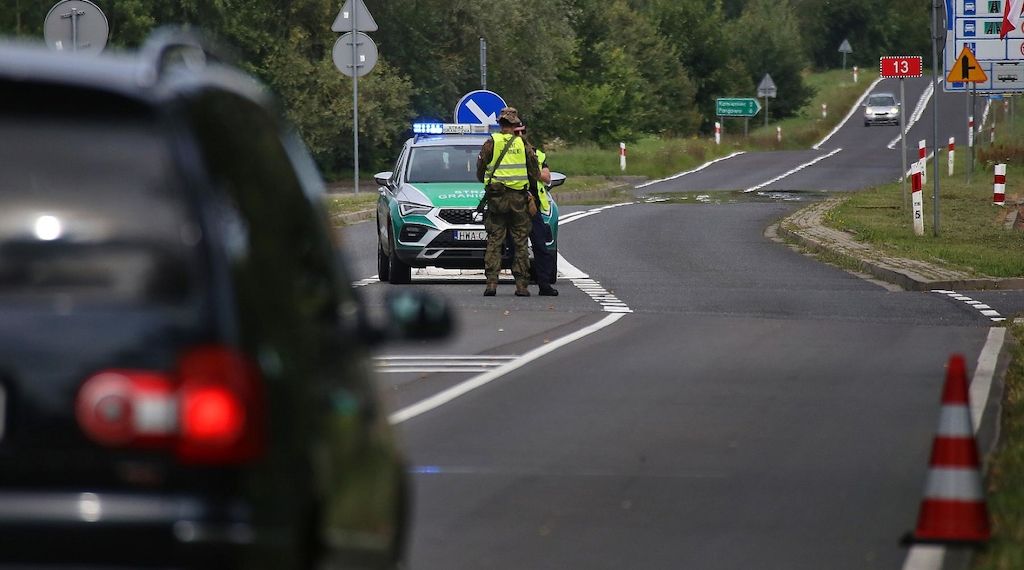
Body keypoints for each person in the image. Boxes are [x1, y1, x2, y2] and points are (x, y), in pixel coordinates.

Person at [476, 107, 540, 297]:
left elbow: (480, 171)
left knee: (495, 240)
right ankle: (521, 286)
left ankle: (491, 284)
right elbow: (535, 172)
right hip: (519, 200)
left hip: (497, 200)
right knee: (520, 241)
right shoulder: (524, 145)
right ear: (515, 124)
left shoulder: (491, 143)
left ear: (500, 124)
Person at [518, 124, 559, 296]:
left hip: (533, 206)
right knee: (515, 247)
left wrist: (533, 169)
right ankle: (519, 285)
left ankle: (544, 284)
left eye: (522, 132)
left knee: (541, 246)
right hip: (512, 205)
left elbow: (546, 176)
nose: (520, 135)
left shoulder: (537, 153)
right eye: (516, 132)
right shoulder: (506, 153)